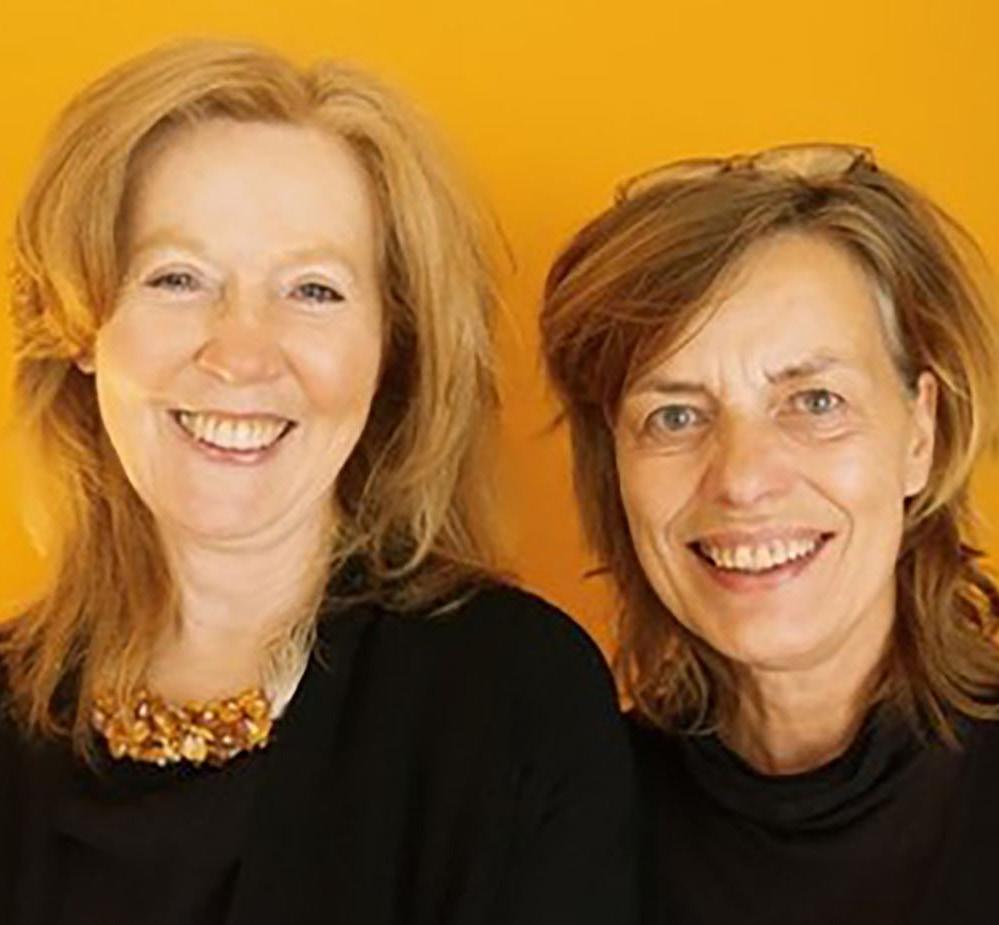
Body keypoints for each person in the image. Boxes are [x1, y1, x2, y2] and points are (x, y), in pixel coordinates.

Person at [0, 40, 635, 924]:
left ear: (392, 349)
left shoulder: (512, 698)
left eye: (313, 290)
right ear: (81, 326)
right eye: (177, 277)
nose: (240, 353)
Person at [540, 142, 999, 924]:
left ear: (919, 432)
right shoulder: (562, 817)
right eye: (674, 416)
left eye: (814, 401)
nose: (742, 478)